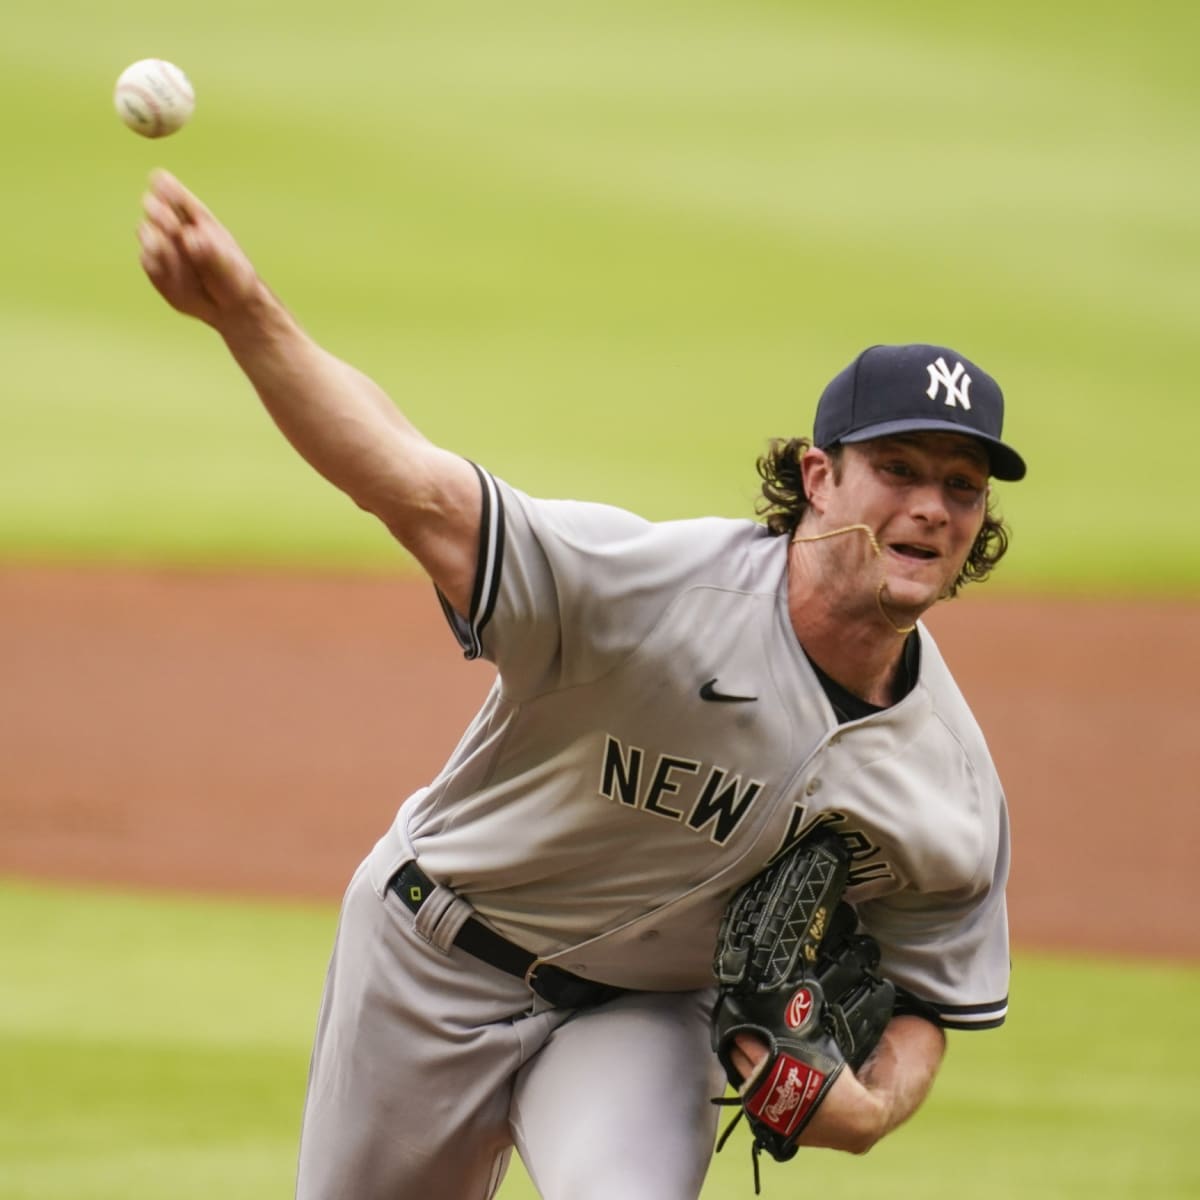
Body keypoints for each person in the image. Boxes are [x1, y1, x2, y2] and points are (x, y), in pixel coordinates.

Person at [136, 169, 1025, 1200]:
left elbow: (928, 984)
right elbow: (410, 480)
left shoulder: (950, 784)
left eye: (961, 487)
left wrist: (874, 1105)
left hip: (644, 1016)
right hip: (432, 958)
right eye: (901, 470)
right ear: (819, 478)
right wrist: (246, 313)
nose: (931, 508)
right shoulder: (645, 590)